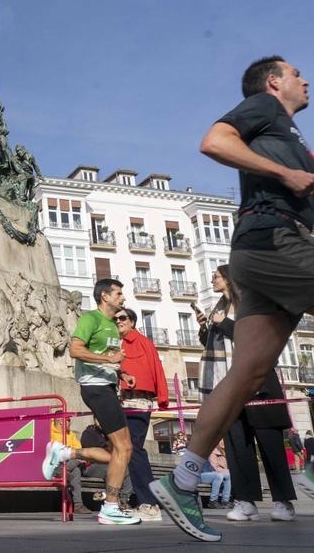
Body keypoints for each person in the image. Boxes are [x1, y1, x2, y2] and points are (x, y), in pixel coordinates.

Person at [151, 56, 314, 542]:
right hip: (275, 242)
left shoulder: (289, 136)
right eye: (296, 74)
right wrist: (285, 176)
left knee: (247, 373)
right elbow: (214, 141)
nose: (305, 80)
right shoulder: (265, 107)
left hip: (256, 256)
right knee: (246, 374)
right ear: (273, 81)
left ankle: (182, 481)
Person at [196, 263, 297, 523]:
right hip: (228, 386)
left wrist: (225, 324)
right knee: (238, 447)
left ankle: (283, 502)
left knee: (270, 445)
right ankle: (245, 502)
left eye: (216, 276)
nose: (212, 280)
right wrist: (206, 328)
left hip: (258, 385)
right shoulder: (218, 307)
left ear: (229, 279)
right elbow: (215, 346)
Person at [41, 278, 140, 525]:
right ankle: (110, 506)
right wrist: (109, 361)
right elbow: (75, 350)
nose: (123, 298)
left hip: (106, 386)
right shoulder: (90, 319)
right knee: (124, 449)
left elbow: (108, 357)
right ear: (104, 296)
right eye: (118, 293)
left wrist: (120, 372)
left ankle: (65, 452)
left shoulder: (110, 324)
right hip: (95, 389)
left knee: (121, 451)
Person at [115, 307, 167, 521]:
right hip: (120, 400)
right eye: (115, 318)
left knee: (134, 448)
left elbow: (157, 367)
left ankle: (149, 503)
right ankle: (130, 500)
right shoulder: (113, 342)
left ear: (133, 321)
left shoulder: (143, 342)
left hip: (138, 399)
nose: (118, 321)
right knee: (123, 449)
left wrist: (163, 398)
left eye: (123, 318)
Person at [201, 441, 231, 508]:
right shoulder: (213, 452)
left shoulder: (226, 452)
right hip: (205, 473)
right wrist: (227, 471)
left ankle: (225, 501)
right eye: (221, 441)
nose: (223, 442)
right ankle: (213, 501)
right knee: (219, 476)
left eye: (224, 440)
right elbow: (215, 467)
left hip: (218, 473)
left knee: (228, 476)